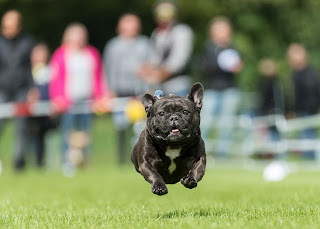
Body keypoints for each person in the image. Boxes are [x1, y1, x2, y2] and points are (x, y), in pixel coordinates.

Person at [49, 22, 109, 174]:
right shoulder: (60, 54)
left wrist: (101, 96)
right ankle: (67, 162)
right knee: (68, 133)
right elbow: (55, 79)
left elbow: (98, 77)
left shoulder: (91, 53)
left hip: (87, 100)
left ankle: (84, 162)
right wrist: (57, 97)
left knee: (85, 133)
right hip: (68, 102)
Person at [103, 13, 151, 164]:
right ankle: (122, 159)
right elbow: (109, 69)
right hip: (120, 93)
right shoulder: (113, 46)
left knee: (139, 128)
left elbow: (150, 67)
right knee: (121, 127)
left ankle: (141, 158)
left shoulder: (145, 44)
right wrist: (110, 90)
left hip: (139, 92)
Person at [200, 16, 243, 157]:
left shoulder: (233, 48)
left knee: (227, 124)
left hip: (230, 90)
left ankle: (222, 155)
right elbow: (205, 68)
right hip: (212, 90)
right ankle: (200, 152)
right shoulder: (208, 48)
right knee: (205, 122)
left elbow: (238, 65)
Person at [0, 10, 36, 170]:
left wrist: (32, 88)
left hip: (21, 90)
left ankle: (19, 163)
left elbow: (29, 68)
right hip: (1, 90)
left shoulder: (26, 43)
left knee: (21, 127)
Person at [139, 0, 194, 96]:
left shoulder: (182, 31)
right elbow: (154, 58)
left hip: (178, 86)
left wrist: (159, 75)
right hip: (160, 87)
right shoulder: (157, 33)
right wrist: (148, 69)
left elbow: (178, 61)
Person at [287, 43, 320, 159]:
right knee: (307, 137)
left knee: (308, 138)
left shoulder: (307, 73)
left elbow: (309, 92)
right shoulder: (300, 73)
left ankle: (311, 159)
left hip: (307, 109)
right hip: (306, 109)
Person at [28, 43, 57, 167]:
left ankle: (46, 163)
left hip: (47, 112)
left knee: (46, 137)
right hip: (31, 114)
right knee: (32, 138)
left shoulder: (51, 71)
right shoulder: (27, 72)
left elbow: (54, 89)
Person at [258, 58, 284, 142]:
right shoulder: (276, 83)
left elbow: (263, 101)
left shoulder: (266, 84)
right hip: (275, 111)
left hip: (269, 112)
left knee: (272, 135)